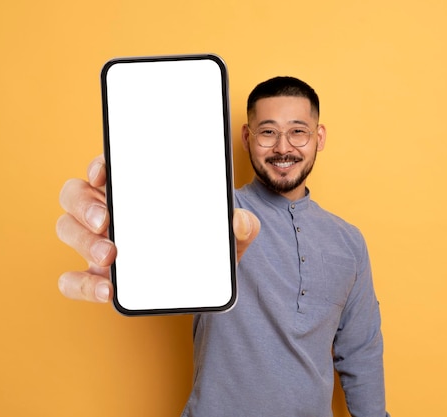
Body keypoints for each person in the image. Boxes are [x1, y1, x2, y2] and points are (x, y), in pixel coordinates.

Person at [57, 76, 390, 416]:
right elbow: (162, 223)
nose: (283, 147)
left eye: (298, 131)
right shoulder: (214, 211)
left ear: (318, 138)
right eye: (268, 132)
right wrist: (127, 212)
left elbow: (361, 352)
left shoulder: (349, 242)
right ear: (247, 137)